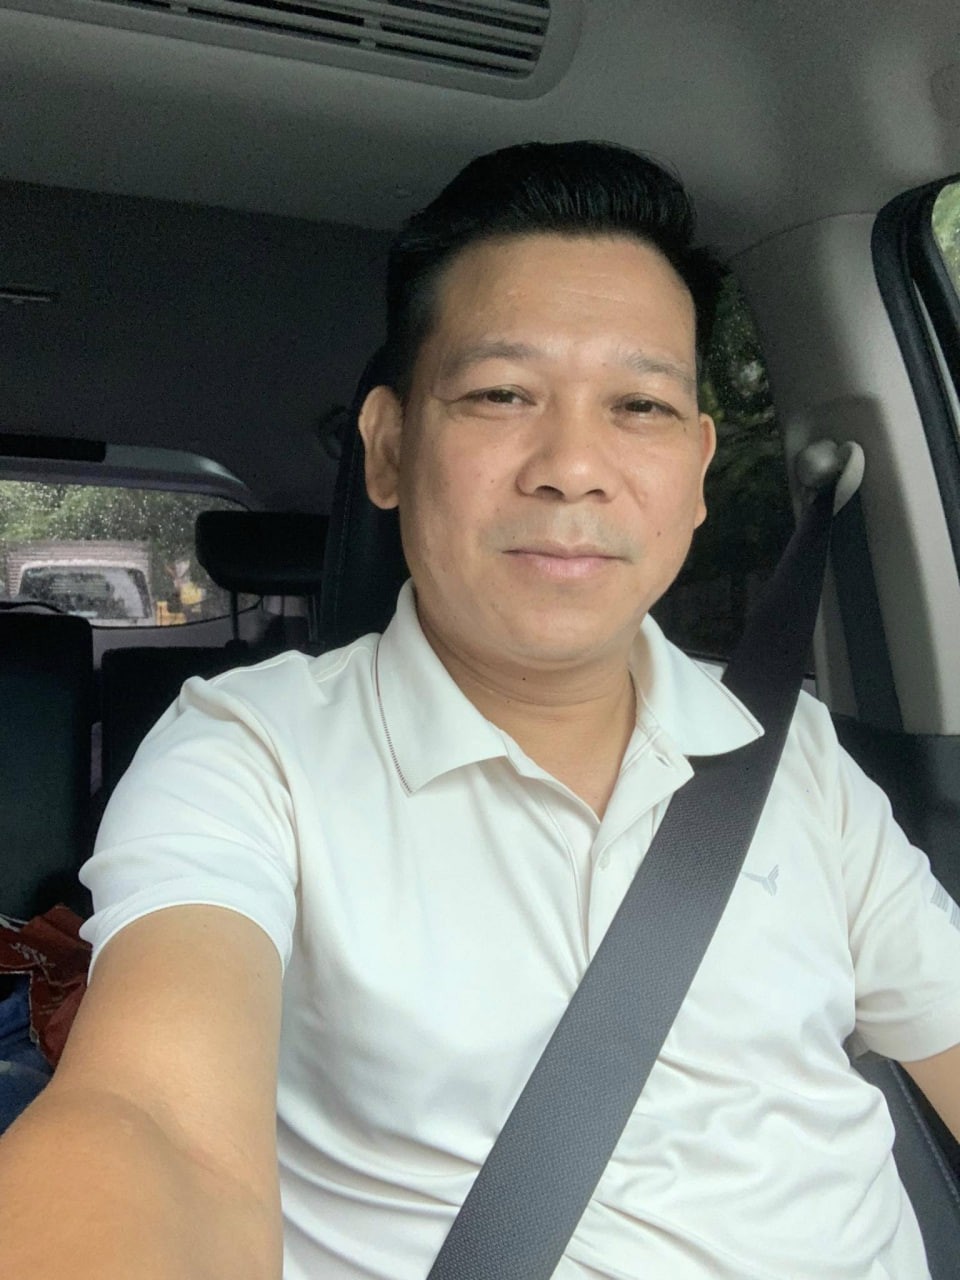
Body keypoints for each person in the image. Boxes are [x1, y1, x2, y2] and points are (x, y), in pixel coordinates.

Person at [1, 141, 959, 1280]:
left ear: (700, 468)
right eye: (503, 393)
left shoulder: (789, 747)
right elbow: (155, 1120)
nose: (573, 467)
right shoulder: (251, 750)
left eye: (641, 404)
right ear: (390, 447)